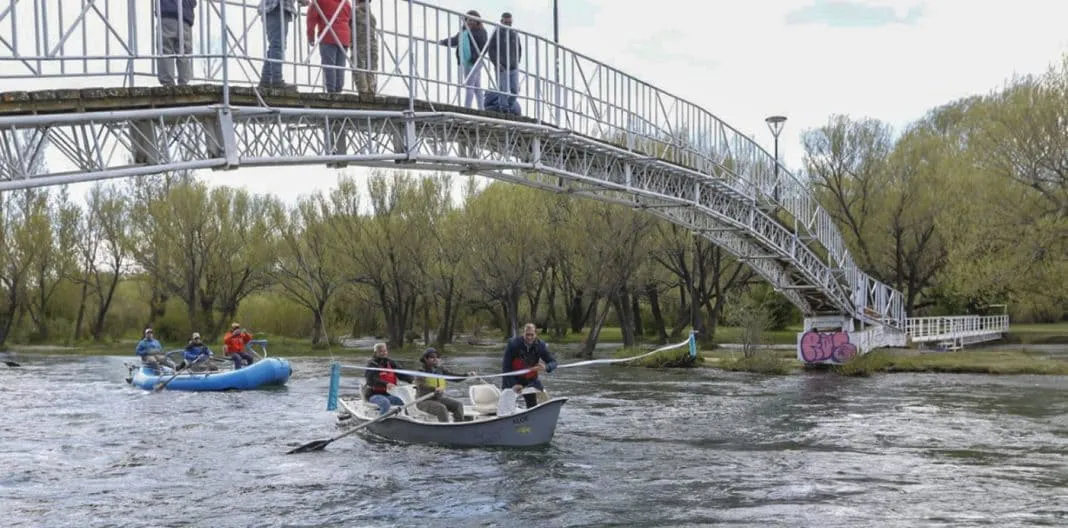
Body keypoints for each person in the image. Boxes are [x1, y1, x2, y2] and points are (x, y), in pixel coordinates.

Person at [438, 10, 488, 109]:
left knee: (470, 85)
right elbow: (455, 40)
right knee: (477, 87)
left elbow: (484, 47)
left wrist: (474, 58)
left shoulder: (481, 32)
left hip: (474, 61)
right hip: (468, 61)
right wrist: (442, 42)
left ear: (477, 21)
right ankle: (481, 108)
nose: (470, 22)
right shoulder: (464, 31)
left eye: (473, 20)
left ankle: (467, 108)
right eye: (469, 19)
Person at [501, 323, 557, 408]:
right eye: (527, 334)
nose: (529, 337)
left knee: (532, 406)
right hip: (512, 380)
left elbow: (553, 362)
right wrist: (514, 384)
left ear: (536, 334)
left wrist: (546, 367)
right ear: (523, 333)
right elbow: (506, 368)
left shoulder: (540, 345)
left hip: (530, 381)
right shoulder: (512, 344)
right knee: (506, 407)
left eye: (532, 335)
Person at [259, 0, 310, 89]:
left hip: (272, 9)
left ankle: (266, 80)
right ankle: (276, 80)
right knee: (278, 46)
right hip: (277, 8)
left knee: (275, 46)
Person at [415, 348, 475, 422]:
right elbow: (421, 386)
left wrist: (466, 375)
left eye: (437, 357)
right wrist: (434, 389)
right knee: (441, 408)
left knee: (458, 405)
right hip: (424, 401)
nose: (435, 359)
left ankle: (459, 425)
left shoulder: (440, 370)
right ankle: (445, 428)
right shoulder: (420, 372)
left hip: (438, 399)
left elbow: (454, 378)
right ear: (425, 359)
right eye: (432, 357)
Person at [307, 0, 352, 93]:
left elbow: (311, 18)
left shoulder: (320, 1)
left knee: (329, 65)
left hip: (328, 35)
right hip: (344, 38)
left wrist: (310, 36)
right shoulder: (346, 3)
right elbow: (350, 20)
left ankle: (331, 91)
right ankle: (338, 90)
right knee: (340, 66)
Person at [484, 12, 522, 115]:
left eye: (510, 23)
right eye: (506, 22)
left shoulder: (514, 34)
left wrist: (517, 62)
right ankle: (503, 109)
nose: (508, 25)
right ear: (501, 21)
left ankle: (508, 107)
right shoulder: (496, 33)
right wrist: (496, 63)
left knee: (515, 90)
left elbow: (519, 49)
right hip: (502, 66)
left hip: (513, 66)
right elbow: (491, 50)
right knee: (503, 89)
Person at [364, 342, 413, 415]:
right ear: (375, 353)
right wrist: (386, 384)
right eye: (380, 351)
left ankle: (404, 419)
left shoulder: (390, 363)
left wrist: (411, 380)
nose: (383, 353)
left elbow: (401, 373)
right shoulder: (371, 364)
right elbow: (372, 379)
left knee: (402, 403)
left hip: (388, 394)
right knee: (385, 403)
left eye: (385, 351)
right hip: (374, 394)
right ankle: (380, 421)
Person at [156, 0, 197, 87]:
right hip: (185, 15)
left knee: (165, 50)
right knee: (184, 51)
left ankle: (168, 84)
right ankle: (184, 83)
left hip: (167, 12)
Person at [352, 0, 378, 97]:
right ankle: (371, 91)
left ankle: (364, 92)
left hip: (359, 43)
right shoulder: (371, 17)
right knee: (370, 67)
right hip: (372, 44)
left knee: (359, 65)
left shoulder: (355, 13)